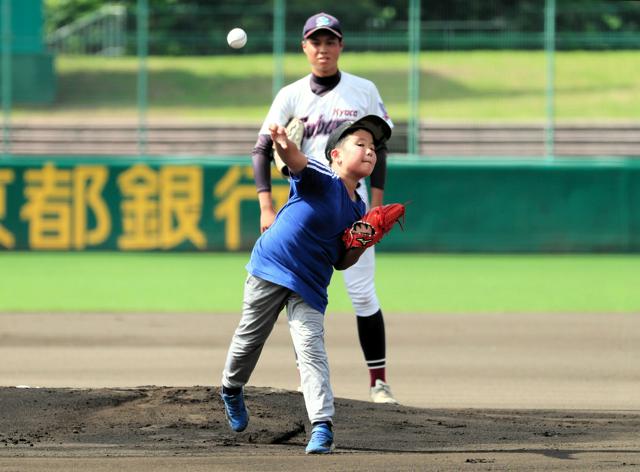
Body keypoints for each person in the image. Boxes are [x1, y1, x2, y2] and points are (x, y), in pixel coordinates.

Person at [221, 115, 392, 454]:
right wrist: (282, 142)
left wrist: (362, 243)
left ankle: (322, 426)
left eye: (373, 148)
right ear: (336, 156)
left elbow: (341, 261)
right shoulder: (320, 177)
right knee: (249, 338)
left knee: (311, 349)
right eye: (360, 144)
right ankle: (231, 387)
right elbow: (294, 159)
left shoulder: (359, 208)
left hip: (311, 284)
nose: (369, 151)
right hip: (271, 268)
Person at [251, 11, 398, 404]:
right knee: (300, 291)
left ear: (340, 46)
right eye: (315, 41)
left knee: (363, 293)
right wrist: (266, 206)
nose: (323, 48)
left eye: (330, 41)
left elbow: (378, 148)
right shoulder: (290, 95)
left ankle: (379, 383)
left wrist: (377, 205)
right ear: (305, 47)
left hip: (353, 205)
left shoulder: (362, 90)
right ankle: (306, 379)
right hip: (308, 208)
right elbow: (262, 148)